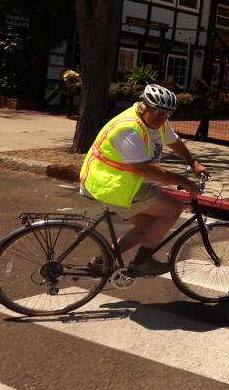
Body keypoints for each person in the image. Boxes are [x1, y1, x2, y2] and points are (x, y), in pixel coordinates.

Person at [78, 83, 208, 276]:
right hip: (111, 185)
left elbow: (174, 141)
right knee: (173, 208)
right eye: (158, 112)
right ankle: (142, 263)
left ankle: (102, 261)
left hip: (119, 182)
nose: (162, 118)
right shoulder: (129, 128)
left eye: (167, 114)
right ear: (143, 106)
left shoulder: (157, 121)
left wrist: (193, 161)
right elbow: (147, 170)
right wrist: (185, 181)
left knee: (148, 225)